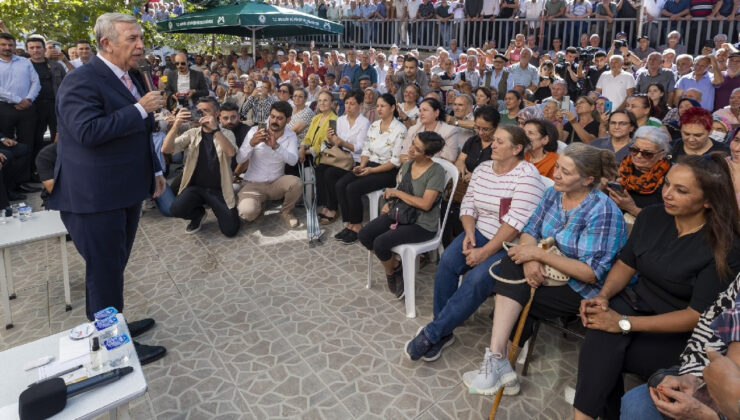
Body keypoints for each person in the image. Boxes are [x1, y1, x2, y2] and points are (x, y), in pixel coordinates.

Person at [575, 153, 740, 420]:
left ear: (708, 200)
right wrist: (602, 296)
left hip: (676, 331)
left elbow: (694, 315)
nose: (668, 194)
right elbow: (626, 265)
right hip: (635, 305)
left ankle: (590, 413)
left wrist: (623, 323)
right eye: (667, 184)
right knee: (599, 334)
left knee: (601, 354)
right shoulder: (652, 217)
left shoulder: (724, 247)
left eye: (681, 190)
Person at [48, 13, 166, 364]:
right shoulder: (81, 81)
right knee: (104, 271)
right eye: (132, 38)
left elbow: (140, 131)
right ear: (107, 44)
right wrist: (138, 109)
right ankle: (113, 343)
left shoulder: (131, 77)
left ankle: (115, 324)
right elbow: (87, 132)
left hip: (124, 190)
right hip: (94, 197)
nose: (141, 45)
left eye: (140, 37)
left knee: (113, 266)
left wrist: (156, 169)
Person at [463, 143, 626, 396]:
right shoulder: (554, 193)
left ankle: (499, 363)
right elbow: (530, 230)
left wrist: (536, 254)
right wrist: (530, 259)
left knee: (512, 292)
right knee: (510, 266)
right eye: (558, 167)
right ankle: (500, 362)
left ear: (588, 180)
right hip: (546, 271)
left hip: (580, 288)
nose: (556, 175)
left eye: (565, 172)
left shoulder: (602, 210)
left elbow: (590, 273)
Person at [404, 125, 546, 363]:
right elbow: (469, 205)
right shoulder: (482, 168)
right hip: (479, 232)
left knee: (476, 278)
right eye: (495, 141)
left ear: (517, 148)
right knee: (448, 260)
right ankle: (443, 330)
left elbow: (515, 224)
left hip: (510, 244)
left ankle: (433, 333)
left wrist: (484, 252)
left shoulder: (527, 175)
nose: (493, 145)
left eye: (500, 142)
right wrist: (469, 232)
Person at [359, 131, 447, 299]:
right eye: (413, 143)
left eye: (417, 149)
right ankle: (394, 266)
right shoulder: (408, 165)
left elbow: (426, 204)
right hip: (401, 214)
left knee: (380, 242)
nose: (411, 149)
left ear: (428, 155)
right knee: (365, 234)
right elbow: (401, 190)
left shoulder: (436, 171)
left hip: (422, 224)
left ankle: (391, 272)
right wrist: (390, 203)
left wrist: (397, 195)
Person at [333, 94, 406, 244]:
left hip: (387, 170)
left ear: (392, 108)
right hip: (370, 164)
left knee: (353, 188)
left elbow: (395, 161)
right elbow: (366, 150)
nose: (379, 109)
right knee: (341, 184)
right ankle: (350, 223)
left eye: (383, 106)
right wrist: (362, 166)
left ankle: (358, 226)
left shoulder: (400, 129)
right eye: (377, 105)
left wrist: (371, 171)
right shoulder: (374, 125)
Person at [163, 97, 240, 236]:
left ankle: (220, 209)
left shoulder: (226, 133)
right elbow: (166, 149)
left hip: (219, 190)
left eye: (206, 111)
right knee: (175, 209)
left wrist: (215, 130)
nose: (201, 114)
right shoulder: (193, 133)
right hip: (196, 188)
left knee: (231, 230)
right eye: (199, 111)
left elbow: (230, 152)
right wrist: (176, 124)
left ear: (216, 114)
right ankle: (198, 215)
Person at [235, 101, 302, 228]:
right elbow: (239, 159)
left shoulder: (290, 135)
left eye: (279, 118)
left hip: (275, 184)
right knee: (247, 213)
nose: (274, 121)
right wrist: (251, 144)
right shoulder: (255, 131)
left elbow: (293, 160)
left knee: (296, 183)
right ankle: (259, 205)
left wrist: (276, 146)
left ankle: (286, 212)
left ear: (288, 120)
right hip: (253, 184)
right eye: (272, 116)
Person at [443, 105, 501, 247]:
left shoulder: (499, 146)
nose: (480, 132)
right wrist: (461, 164)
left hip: (486, 190)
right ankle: (447, 245)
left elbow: (499, 173)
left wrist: (475, 176)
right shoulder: (472, 141)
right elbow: (460, 160)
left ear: (496, 127)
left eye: (486, 129)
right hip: (464, 186)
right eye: (477, 128)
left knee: (458, 210)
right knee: (445, 207)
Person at [316, 89, 369, 224]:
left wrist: (343, 142)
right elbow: (334, 143)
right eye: (346, 103)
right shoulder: (340, 120)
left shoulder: (364, 123)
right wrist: (331, 138)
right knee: (321, 168)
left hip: (355, 160)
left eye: (352, 104)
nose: (348, 107)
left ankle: (332, 208)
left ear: (360, 105)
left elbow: (360, 148)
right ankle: (327, 204)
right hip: (340, 157)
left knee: (330, 173)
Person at [0, 32, 39, 186]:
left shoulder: (25, 62)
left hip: (27, 108)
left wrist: (28, 99)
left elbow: (36, 82)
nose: (7, 48)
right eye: (3, 45)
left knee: (27, 145)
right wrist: (18, 100)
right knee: (7, 146)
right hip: (4, 108)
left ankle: (24, 180)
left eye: (10, 45)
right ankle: (10, 184)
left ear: (15, 46)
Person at [607, 126, 671, 217]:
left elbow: (664, 219)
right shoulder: (623, 166)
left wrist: (631, 208)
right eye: (635, 150)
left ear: (662, 155)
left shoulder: (670, 177)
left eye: (647, 154)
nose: (638, 156)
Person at [398, 98, 460, 164]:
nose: (421, 114)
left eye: (425, 110)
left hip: (435, 172)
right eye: (420, 111)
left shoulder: (450, 131)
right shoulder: (413, 129)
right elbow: (403, 155)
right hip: (411, 168)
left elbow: (447, 162)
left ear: (436, 112)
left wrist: (418, 163)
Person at [299, 90, 337, 164]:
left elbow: (326, 145)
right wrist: (301, 149)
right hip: (309, 154)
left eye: (325, 100)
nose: (322, 103)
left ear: (332, 103)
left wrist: (305, 152)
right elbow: (308, 137)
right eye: (319, 100)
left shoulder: (334, 120)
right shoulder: (316, 118)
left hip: (323, 158)